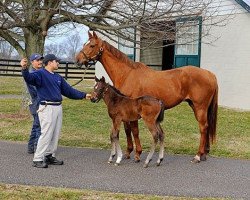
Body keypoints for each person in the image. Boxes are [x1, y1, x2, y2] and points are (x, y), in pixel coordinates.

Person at [21, 53, 92, 168]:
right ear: (49, 63)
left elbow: (69, 91)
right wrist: (24, 69)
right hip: (47, 107)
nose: (58, 63)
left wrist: (84, 95)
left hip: (58, 107)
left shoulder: (57, 77)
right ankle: (38, 158)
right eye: (56, 61)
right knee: (46, 133)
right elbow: (29, 78)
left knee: (55, 133)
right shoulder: (40, 74)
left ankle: (49, 155)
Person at [20, 53, 43, 154]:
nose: (40, 62)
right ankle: (38, 148)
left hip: (36, 103)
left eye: (41, 60)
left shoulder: (39, 72)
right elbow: (36, 91)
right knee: (39, 126)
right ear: (32, 62)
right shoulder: (32, 74)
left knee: (36, 125)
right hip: (36, 103)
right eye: (37, 60)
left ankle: (30, 147)